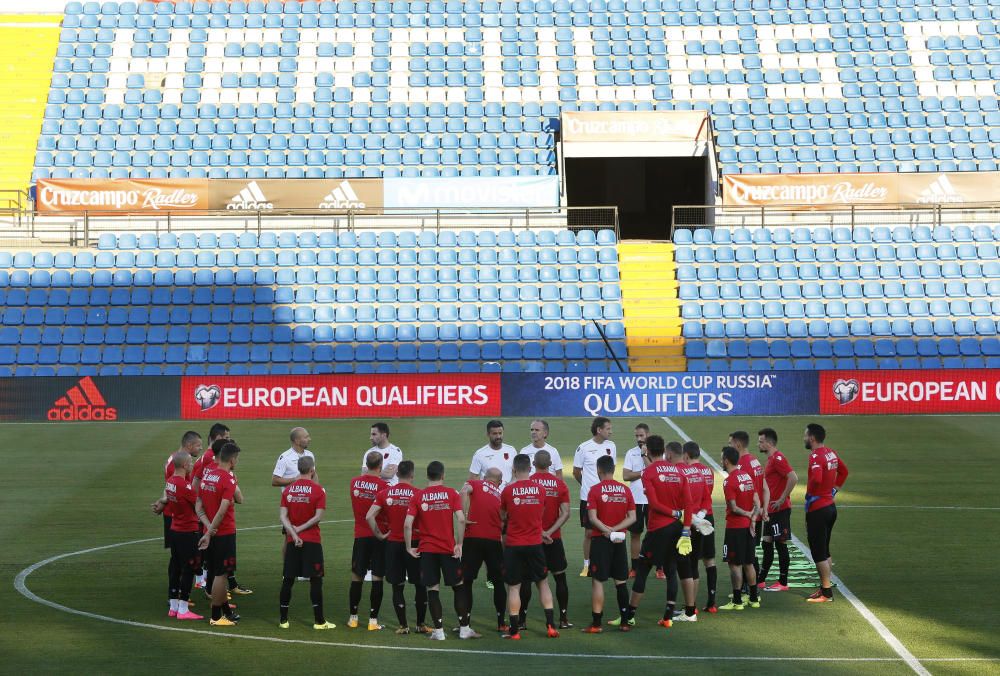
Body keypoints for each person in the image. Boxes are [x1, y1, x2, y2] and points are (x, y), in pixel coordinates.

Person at [624, 436, 696, 627]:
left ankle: (629, 616)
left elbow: (654, 504)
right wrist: (686, 529)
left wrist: (673, 512)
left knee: (642, 570)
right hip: (678, 528)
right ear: (663, 451)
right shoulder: (679, 472)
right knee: (671, 570)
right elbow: (688, 503)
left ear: (647, 451)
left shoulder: (649, 472)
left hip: (658, 529)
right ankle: (667, 617)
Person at [404, 461, 471, 641]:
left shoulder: (418, 496)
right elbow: (461, 519)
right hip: (448, 549)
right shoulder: (451, 493)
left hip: (427, 551)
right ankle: (464, 629)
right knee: (458, 586)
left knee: (432, 589)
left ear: (427, 476)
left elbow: (407, 524)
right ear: (443, 475)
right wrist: (460, 544)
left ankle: (439, 632)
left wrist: (408, 547)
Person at [499, 453, 560, 640]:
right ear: (530, 468)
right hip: (535, 544)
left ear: (514, 470)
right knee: (543, 583)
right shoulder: (540, 490)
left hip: (514, 544)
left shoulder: (508, 491)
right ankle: (550, 626)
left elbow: (502, 516)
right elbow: (540, 514)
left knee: (514, 587)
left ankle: (515, 631)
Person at [367, 460, 429, 635]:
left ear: (397, 474)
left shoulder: (385, 493)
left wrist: (379, 534)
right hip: (415, 544)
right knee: (420, 585)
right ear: (412, 474)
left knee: (397, 585)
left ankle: (403, 626)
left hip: (393, 543)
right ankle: (420, 624)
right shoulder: (419, 494)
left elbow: (369, 516)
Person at [278, 455, 336, 630]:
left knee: (288, 579)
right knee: (316, 580)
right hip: (312, 541)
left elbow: (282, 516)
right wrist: (301, 529)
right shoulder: (319, 491)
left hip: (292, 541)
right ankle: (319, 621)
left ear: (299, 470)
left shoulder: (288, 490)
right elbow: (318, 517)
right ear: (312, 470)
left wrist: (294, 533)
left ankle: (283, 620)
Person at [582, 455, 636, 634]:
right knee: (621, 581)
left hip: (600, 540)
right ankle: (625, 622)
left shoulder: (595, 490)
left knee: (598, 581)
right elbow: (632, 518)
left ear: (598, 470)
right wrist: (615, 530)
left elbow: (592, 518)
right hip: (619, 540)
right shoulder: (625, 490)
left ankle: (596, 624)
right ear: (613, 470)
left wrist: (607, 530)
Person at [523, 450, 572, 629]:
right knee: (560, 578)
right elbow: (566, 513)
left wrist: (540, 531)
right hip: (554, 539)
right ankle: (564, 619)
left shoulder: (527, 483)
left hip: (531, 538)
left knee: (527, 579)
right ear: (551, 463)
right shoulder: (559, 484)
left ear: (533, 464)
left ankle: (522, 620)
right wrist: (549, 532)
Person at [151, 450, 202, 621]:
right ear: (186, 465)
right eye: (191, 462)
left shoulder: (170, 482)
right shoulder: (184, 486)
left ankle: (173, 606)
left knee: (175, 566)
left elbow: (168, 500)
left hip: (175, 529)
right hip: (188, 531)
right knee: (189, 569)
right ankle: (183, 609)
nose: (193, 465)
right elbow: (198, 505)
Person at [196, 441, 242, 626]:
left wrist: (207, 527)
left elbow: (198, 504)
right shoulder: (228, 479)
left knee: (216, 572)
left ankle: (226, 611)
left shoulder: (208, 476)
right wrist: (211, 531)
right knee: (221, 575)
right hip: (224, 533)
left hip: (212, 531)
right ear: (232, 460)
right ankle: (216, 616)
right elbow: (223, 510)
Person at [803, 423, 849, 603]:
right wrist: (833, 491)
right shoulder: (831, 452)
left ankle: (826, 593)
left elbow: (816, 478)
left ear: (812, 438)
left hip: (818, 509)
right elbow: (844, 472)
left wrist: (812, 494)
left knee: (818, 552)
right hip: (830, 507)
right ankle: (824, 586)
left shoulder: (815, 456)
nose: (804, 438)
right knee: (825, 550)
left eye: (805, 435)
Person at [458, 467, 504, 635]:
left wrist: (462, 516)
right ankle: (501, 623)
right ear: (499, 481)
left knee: (466, 581)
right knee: (498, 582)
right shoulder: (500, 495)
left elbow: (463, 492)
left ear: (485, 477)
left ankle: (465, 623)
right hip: (493, 541)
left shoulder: (474, 483)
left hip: (473, 538)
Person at [348, 451, 389, 630]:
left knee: (356, 575)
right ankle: (373, 621)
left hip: (360, 535)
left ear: (366, 464)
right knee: (377, 577)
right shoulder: (384, 486)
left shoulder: (354, 482)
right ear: (380, 467)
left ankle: (353, 618)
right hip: (379, 536)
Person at [572, 417, 616, 577]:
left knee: (608, 530)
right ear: (599, 430)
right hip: (588, 498)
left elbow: (612, 469)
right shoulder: (583, 448)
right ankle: (587, 565)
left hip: (608, 497)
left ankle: (608, 562)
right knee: (589, 533)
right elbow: (576, 472)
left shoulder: (611, 446)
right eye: (608, 428)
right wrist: (587, 487)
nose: (611, 431)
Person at [719, 446, 760, 611]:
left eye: (722, 458)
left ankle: (737, 601)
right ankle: (754, 598)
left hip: (735, 528)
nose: (721, 461)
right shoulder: (747, 477)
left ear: (727, 461)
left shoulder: (729, 481)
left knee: (734, 564)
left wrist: (749, 515)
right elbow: (757, 501)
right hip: (748, 527)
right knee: (749, 563)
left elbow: (734, 507)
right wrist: (753, 519)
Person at [757, 428, 797, 592]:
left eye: (760, 441)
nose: (758, 444)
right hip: (771, 510)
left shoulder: (778, 459)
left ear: (768, 443)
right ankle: (761, 580)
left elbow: (793, 477)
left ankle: (783, 582)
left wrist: (782, 498)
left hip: (780, 510)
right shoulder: (771, 459)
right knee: (766, 542)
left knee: (780, 543)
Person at [681, 441, 719, 612]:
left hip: (694, 518)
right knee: (709, 559)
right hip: (708, 515)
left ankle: (692, 604)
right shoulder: (708, 470)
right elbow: (707, 494)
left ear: (687, 455)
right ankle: (711, 602)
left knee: (692, 561)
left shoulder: (688, 472)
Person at [730, 430, 769, 587]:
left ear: (737, 444)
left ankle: (749, 589)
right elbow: (765, 487)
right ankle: (754, 587)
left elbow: (748, 492)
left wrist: (751, 516)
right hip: (756, 514)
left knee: (746, 556)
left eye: (730, 444)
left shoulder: (743, 464)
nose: (729, 447)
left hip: (747, 517)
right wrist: (764, 509)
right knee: (750, 553)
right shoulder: (755, 461)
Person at [622, 424, 650, 577]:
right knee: (635, 534)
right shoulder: (631, 453)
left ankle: (660, 567)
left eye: (641, 436)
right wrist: (644, 472)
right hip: (636, 500)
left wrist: (645, 456)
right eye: (636, 436)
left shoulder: (658, 453)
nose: (639, 439)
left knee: (656, 534)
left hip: (653, 500)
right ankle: (635, 568)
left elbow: (656, 473)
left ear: (648, 435)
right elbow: (626, 476)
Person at [469, 419, 516, 488]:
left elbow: (517, 472)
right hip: (489, 495)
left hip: (508, 494)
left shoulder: (511, 450)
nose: (498, 437)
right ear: (488, 434)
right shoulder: (480, 454)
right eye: (495, 434)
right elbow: (473, 478)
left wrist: (512, 481)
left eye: (500, 433)